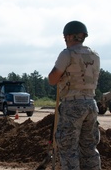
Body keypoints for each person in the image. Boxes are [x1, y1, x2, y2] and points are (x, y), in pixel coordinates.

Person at [48, 21, 101, 170]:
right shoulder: (95, 55)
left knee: (68, 149)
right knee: (89, 148)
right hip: (91, 104)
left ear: (69, 36)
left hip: (72, 105)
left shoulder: (67, 54)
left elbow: (52, 79)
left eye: (65, 37)